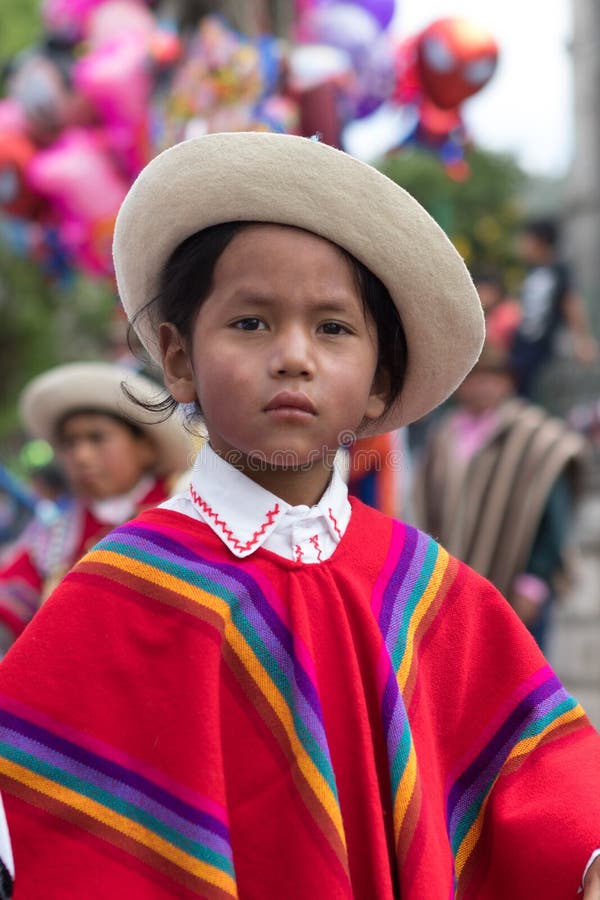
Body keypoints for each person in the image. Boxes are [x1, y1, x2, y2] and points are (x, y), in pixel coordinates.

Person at [0, 134, 598, 899]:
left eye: (334, 328)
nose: (293, 356)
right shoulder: (121, 593)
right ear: (179, 357)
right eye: (250, 323)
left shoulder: (426, 590)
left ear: (380, 382)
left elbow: (542, 775)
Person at [0, 362, 192, 653]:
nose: (80, 455)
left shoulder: (186, 511)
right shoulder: (57, 533)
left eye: (96, 438)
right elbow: (13, 596)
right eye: (69, 443)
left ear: (146, 447)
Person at [413, 342, 588, 651]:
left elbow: (551, 515)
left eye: (490, 378)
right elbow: (426, 509)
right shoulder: (443, 435)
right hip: (455, 587)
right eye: (472, 378)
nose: (480, 387)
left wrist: (533, 582)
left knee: (522, 684)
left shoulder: (536, 437)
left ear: (508, 382)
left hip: (518, 586)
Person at [510, 217, 598, 398]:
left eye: (526, 240)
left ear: (540, 241)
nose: (521, 245)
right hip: (523, 345)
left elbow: (571, 304)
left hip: (544, 348)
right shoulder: (531, 270)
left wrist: (582, 339)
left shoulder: (559, 270)